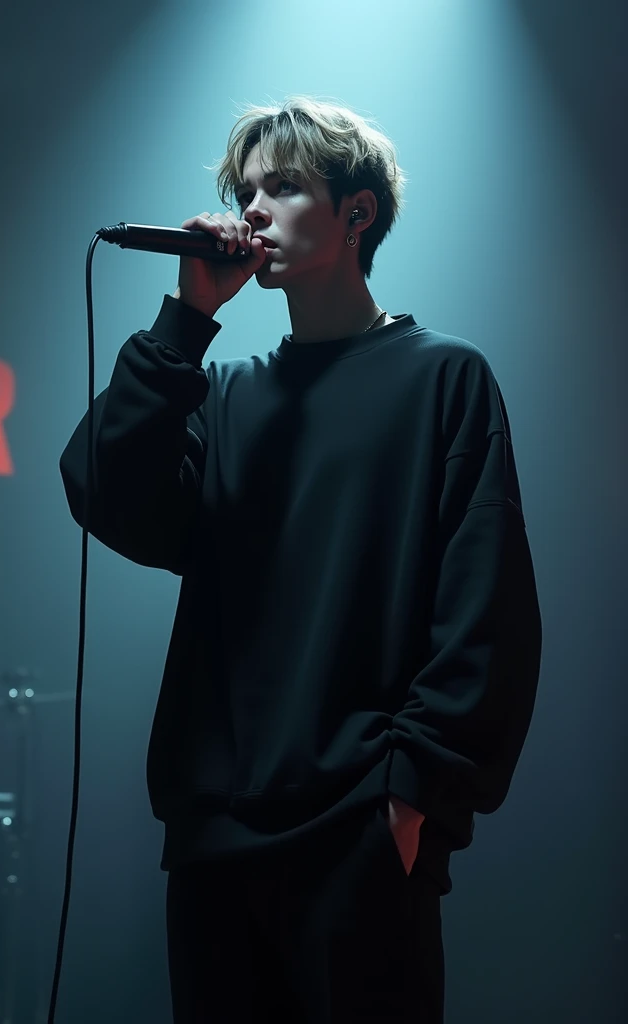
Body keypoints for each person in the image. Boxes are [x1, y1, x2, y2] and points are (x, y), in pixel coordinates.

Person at [60, 95, 543, 1023]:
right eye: (245, 190)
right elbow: (103, 490)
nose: (251, 209)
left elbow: (486, 611)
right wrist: (186, 320)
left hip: (361, 833)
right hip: (213, 845)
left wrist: (410, 801)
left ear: (357, 211)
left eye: (282, 186)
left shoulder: (446, 380)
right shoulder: (224, 395)